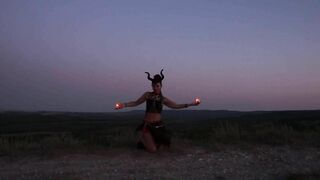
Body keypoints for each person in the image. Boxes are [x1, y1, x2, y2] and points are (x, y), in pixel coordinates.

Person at [114, 69, 200, 153]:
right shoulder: (147, 95)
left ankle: (149, 140)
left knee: (163, 148)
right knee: (153, 149)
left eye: (157, 86)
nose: (155, 88)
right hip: (147, 125)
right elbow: (136, 102)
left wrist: (190, 104)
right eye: (153, 86)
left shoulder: (163, 99)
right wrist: (123, 105)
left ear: (161, 86)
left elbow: (175, 106)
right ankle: (141, 140)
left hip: (158, 126)